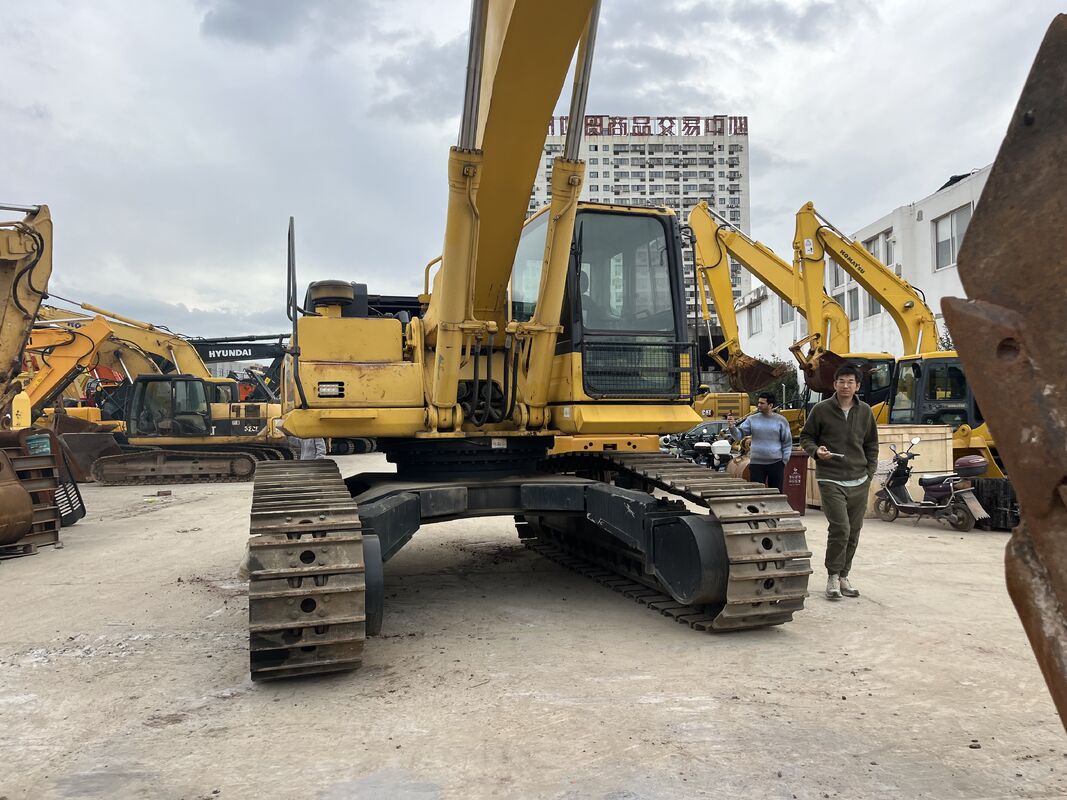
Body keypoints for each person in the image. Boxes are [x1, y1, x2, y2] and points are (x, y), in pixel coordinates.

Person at [799, 363, 879, 601]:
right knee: (840, 528)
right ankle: (833, 575)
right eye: (841, 381)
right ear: (834, 385)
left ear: (857, 386)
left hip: (859, 480)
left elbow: (871, 444)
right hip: (830, 478)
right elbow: (806, 437)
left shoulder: (865, 411)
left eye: (850, 382)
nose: (846, 386)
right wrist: (816, 451)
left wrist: (869, 472)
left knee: (854, 531)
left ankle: (844, 575)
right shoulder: (821, 409)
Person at [727, 392, 792, 491]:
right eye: (758, 403)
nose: (758, 405)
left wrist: (784, 460)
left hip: (776, 463)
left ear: (770, 405)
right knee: (756, 493)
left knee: (776, 494)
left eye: (762, 403)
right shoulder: (751, 419)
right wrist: (732, 428)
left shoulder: (781, 421)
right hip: (756, 464)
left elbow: (787, 442)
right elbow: (739, 435)